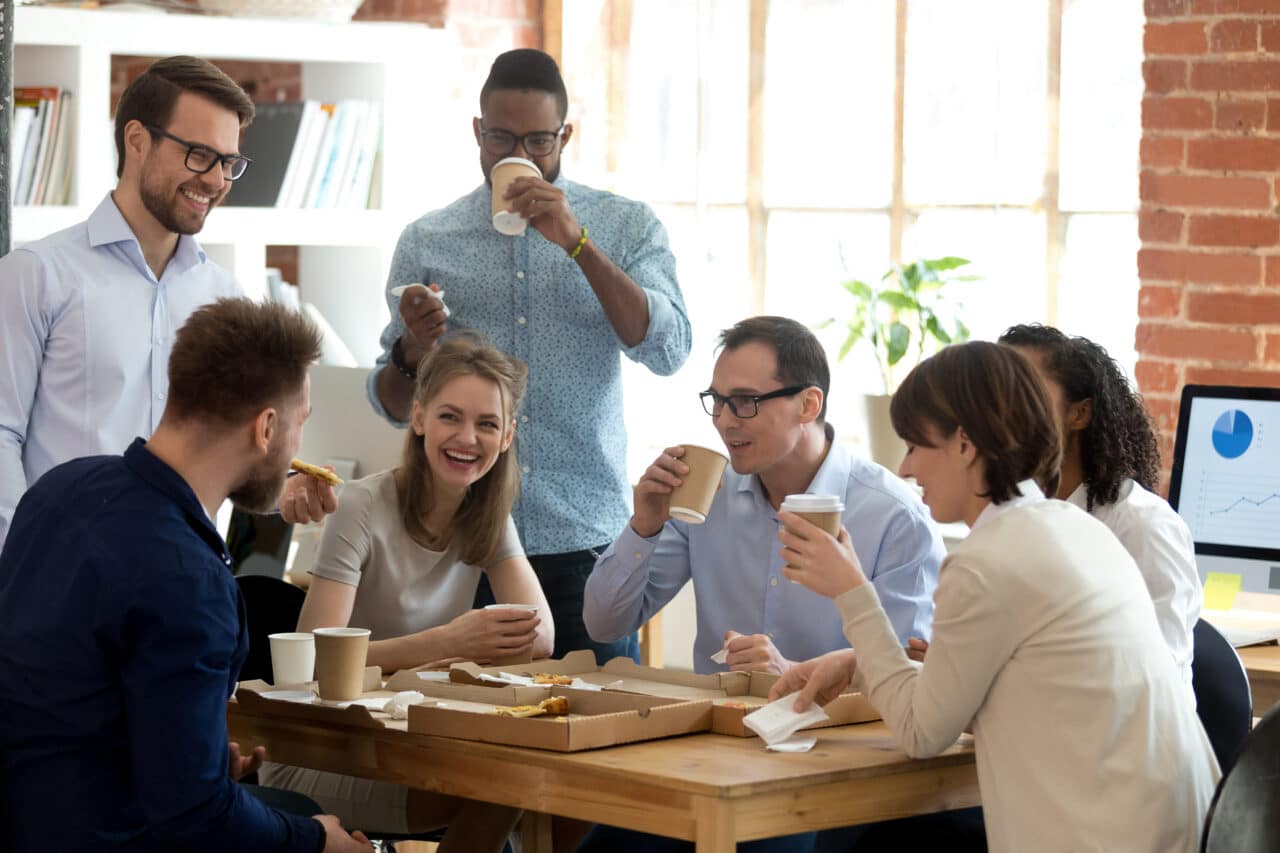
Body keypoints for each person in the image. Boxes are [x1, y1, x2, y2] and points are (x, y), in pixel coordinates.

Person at [772, 342, 1219, 853]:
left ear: (965, 445)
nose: (906, 467)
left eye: (917, 446)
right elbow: (1015, 687)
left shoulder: (986, 559)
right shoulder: (1070, 525)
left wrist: (852, 592)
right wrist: (859, 664)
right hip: (1176, 828)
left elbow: (922, 732)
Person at [0, 298, 371, 852]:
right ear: (267, 427)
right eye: (300, 425)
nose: (299, 448)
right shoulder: (190, 581)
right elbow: (197, 817)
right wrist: (319, 843)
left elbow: (67, 695)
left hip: (25, 810)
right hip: (101, 832)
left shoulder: (62, 488)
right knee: (316, 821)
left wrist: (184, 749)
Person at [368, 48, 690, 666]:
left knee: (599, 735)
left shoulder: (624, 226)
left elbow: (669, 348)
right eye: (501, 137)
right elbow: (392, 403)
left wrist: (578, 244)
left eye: (539, 140)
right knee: (456, 741)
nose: (519, 154)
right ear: (476, 133)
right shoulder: (428, 240)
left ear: (565, 135)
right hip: (459, 543)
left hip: (585, 539)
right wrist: (413, 346)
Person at [0, 55, 333, 550]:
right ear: (137, 141)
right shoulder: (36, 274)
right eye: (199, 154)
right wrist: (25, 563)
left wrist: (278, 493)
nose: (217, 181)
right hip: (64, 579)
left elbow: (227, 455)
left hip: (181, 580)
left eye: (228, 162)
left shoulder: (226, 297)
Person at [262, 334, 550, 850]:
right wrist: (448, 643)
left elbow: (541, 636)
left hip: (410, 744)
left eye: (487, 424)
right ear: (418, 418)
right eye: (450, 417)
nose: (467, 437)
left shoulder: (487, 514)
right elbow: (313, 662)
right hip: (324, 754)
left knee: (544, 786)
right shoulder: (360, 504)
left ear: (507, 437)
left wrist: (458, 643)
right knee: (506, 785)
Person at [584, 316, 943, 676]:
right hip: (715, 728)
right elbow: (604, 626)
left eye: (744, 401)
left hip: (837, 730)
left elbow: (907, 681)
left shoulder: (895, 517)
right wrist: (644, 527)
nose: (724, 421)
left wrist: (792, 673)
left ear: (809, 405)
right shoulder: (707, 496)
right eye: (718, 401)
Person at [997, 323, 1200, 687]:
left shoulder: (1142, 526)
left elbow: (1154, 680)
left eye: (1025, 395)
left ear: (1079, 414)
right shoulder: (1012, 519)